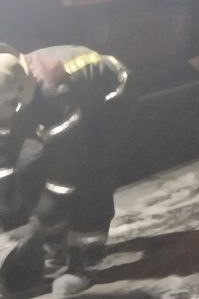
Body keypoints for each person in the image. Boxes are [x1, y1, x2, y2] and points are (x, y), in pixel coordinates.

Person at [0, 43, 130, 295]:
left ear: (18, 97)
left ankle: (85, 262)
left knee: (90, 176)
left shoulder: (53, 93)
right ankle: (55, 247)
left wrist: (44, 216)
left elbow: (66, 167)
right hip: (62, 107)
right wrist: (4, 185)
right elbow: (3, 138)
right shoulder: (6, 85)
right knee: (31, 165)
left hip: (111, 97)